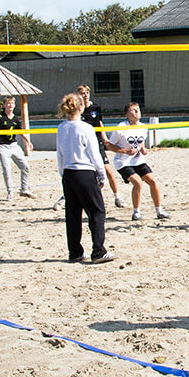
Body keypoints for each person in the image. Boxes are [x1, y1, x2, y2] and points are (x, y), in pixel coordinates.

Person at [56, 92, 114, 263]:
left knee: (73, 214)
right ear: (81, 107)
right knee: (97, 211)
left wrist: (63, 174)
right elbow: (95, 155)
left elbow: (59, 154)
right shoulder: (85, 128)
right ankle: (98, 251)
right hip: (84, 172)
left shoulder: (61, 128)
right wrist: (102, 175)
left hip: (68, 173)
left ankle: (74, 252)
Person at [106, 102, 170, 221]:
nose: (137, 112)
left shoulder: (143, 127)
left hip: (138, 161)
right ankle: (136, 212)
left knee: (153, 181)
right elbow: (109, 145)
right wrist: (124, 150)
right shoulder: (120, 128)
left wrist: (142, 149)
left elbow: (139, 142)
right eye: (133, 110)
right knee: (138, 183)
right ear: (127, 114)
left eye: (138, 109)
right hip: (123, 162)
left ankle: (159, 210)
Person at [77, 84, 125, 208]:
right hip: (84, 144)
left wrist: (105, 139)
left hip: (96, 142)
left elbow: (100, 123)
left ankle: (117, 196)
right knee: (83, 172)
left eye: (87, 93)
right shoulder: (78, 109)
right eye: (82, 93)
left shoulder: (95, 107)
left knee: (107, 170)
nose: (85, 95)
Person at [0, 96, 34, 199]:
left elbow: (20, 131)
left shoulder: (15, 118)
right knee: (7, 170)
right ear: (4, 105)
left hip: (14, 146)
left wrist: (28, 141)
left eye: (12, 103)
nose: (10, 105)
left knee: (25, 166)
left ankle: (24, 189)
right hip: (2, 147)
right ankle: (10, 192)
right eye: (8, 103)